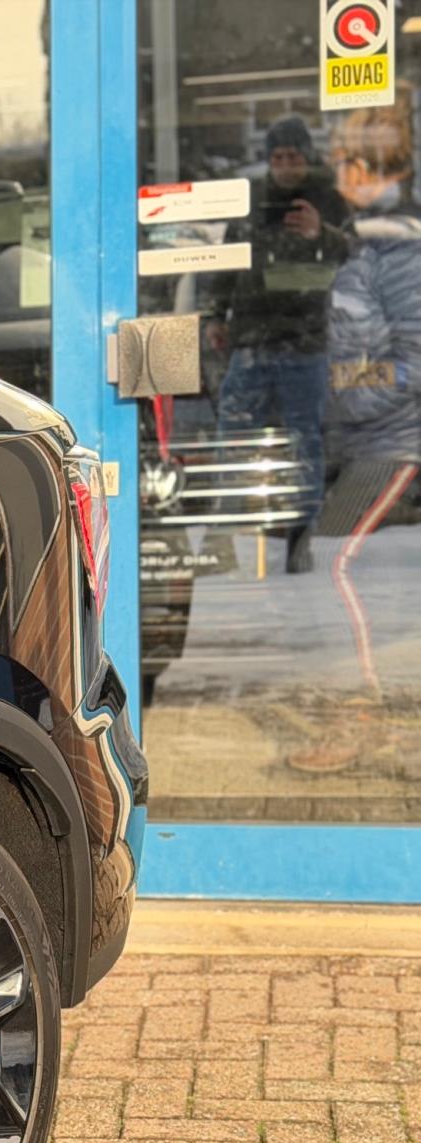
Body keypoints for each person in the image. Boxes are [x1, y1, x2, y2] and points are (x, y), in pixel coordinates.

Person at [288, 98, 421, 774]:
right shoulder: (368, 240)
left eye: (342, 159)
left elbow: (414, 358)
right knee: (319, 559)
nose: (334, 170)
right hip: (361, 437)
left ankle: (363, 718)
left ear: (368, 168)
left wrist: (350, 399)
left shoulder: (401, 250)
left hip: (393, 441)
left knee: (328, 560)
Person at [204, 115, 352, 572]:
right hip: (251, 337)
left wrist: (321, 233)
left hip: (305, 341)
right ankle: (228, 538)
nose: (285, 165)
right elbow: (227, 262)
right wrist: (215, 314)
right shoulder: (250, 201)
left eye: (293, 156)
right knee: (234, 434)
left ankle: (300, 539)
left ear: (307, 157)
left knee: (304, 440)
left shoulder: (330, 199)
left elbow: (356, 260)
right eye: (278, 157)